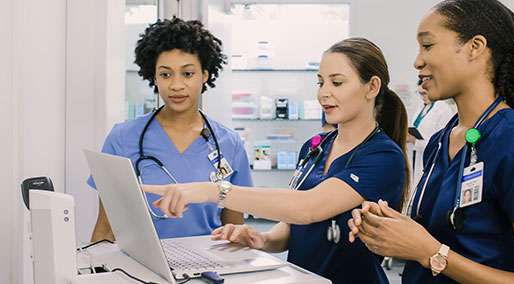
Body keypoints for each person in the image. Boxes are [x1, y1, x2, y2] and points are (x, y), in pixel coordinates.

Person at [142, 37, 410, 284]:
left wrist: (212, 191)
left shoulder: (383, 156)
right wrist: (262, 239)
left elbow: (307, 208)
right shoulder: (315, 147)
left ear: (372, 87)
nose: (323, 93)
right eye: (320, 82)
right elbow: (296, 224)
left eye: (336, 83)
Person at [347, 0, 514, 284]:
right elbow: (446, 234)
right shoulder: (442, 140)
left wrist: (431, 253)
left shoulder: (512, 141)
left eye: (427, 45)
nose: (417, 61)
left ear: (475, 47)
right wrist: (392, 226)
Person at [87, 18, 252, 242]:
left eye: (187, 73)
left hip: (209, 269)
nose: (176, 85)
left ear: (204, 75)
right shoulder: (122, 139)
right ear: (153, 76)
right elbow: (106, 229)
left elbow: (233, 230)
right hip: (140, 268)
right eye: (165, 74)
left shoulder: (229, 144)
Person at [408, 79, 454, 189]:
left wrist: (416, 141)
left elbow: (443, 141)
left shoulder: (442, 109)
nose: (422, 97)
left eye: (424, 93)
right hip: (417, 154)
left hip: (433, 158)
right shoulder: (421, 107)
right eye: (419, 93)